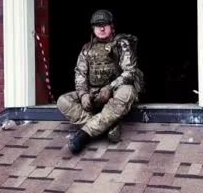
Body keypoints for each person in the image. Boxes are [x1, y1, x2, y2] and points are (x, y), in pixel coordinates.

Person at [57, 9, 144, 154]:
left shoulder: (121, 44)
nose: (102, 28)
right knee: (63, 101)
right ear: (93, 28)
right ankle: (108, 127)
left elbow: (130, 72)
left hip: (115, 92)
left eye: (105, 24)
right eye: (98, 25)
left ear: (112, 26)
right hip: (94, 93)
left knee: (127, 92)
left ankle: (84, 135)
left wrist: (110, 87)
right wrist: (83, 94)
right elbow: (80, 74)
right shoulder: (87, 49)